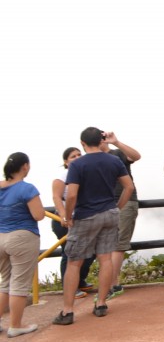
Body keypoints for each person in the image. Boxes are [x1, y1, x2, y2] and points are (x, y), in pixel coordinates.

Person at [54, 127, 135, 325]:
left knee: (74, 262)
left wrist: (68, 215)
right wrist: (118, 207)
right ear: (100, 141)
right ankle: (100, 303)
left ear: (82, 143)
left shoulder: (78, 165)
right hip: (110, 214)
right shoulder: (114, 160)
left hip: (85, 216)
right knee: (106, 259)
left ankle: (67, 311)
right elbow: (129, 186)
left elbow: (71, 194)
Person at [0, 153, 45, 337]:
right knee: (19, 284)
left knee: (5, 283)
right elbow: (39, 215)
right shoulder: (27, 189)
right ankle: (16, 325)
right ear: (25, 166)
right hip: (22, 237)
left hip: (1, 237)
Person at [101, 132, 141, 298]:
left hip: (125, 203)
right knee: (112, 246)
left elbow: (136, 156)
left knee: (118, 246)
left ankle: (112, 284)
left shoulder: (117, 154)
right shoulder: (94, 159)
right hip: (107, 205)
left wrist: (116, 142)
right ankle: (112, 284)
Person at [51, 147, 95, 298]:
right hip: (65, 222)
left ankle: (79, 280)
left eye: (79, 155)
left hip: (83, 219)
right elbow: (56, 197)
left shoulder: (85, 174)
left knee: (90, 252)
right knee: (68, 254)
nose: (77, 158)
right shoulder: (62, 176)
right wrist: (64, 216)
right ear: (66, 161)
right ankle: (68, 287)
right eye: (72, 156)